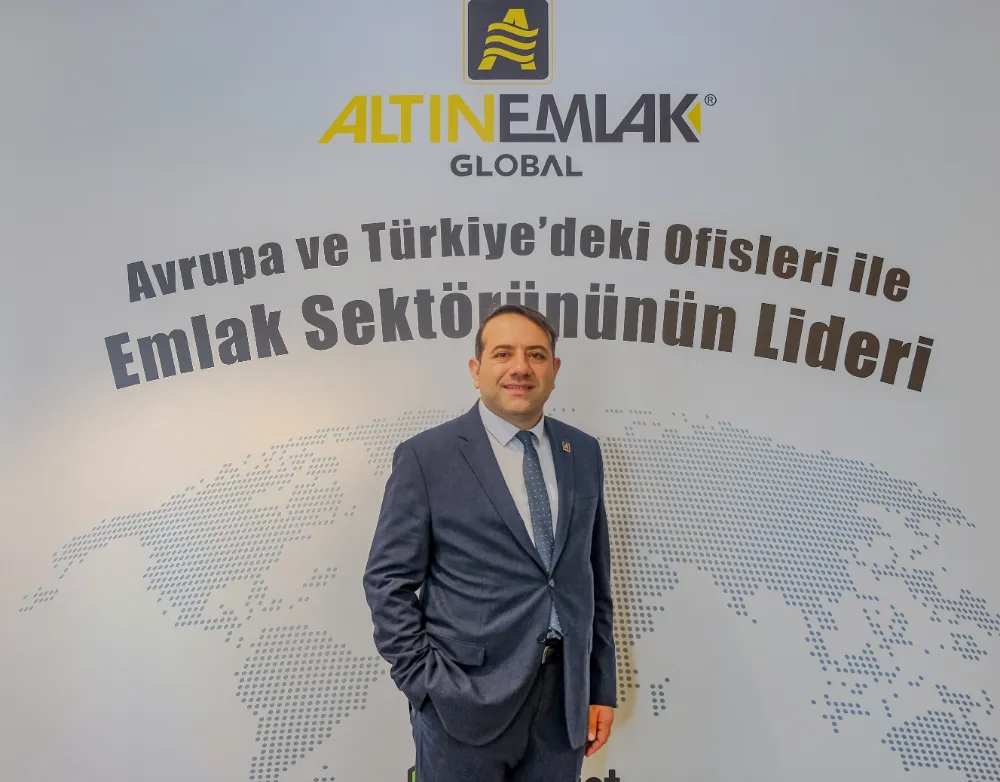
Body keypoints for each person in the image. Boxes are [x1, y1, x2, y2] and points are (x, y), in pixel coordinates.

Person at [362, 303, 617, 781]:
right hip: (463, 706)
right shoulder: (427, 457)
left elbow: (592, 579)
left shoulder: (583, 451)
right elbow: (386, 582)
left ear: (554, 369)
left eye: (536, 355)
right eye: (503, 354)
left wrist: (599, 686)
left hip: (564, 705)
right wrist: (426, 683)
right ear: (476, 370)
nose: (521, 367)